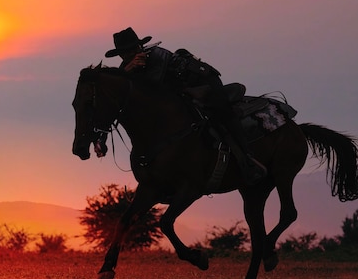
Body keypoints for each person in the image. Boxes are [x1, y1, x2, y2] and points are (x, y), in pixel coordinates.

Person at [102, 27, 266, 185]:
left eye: (132, 50)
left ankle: (247, 157)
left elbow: (153, 91)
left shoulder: (157, 56)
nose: (129, 55)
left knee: (221, 112)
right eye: (124, 53)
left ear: (139, 46)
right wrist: (128, 70)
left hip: (204, 83)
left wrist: (128, 72)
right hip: (182, 92)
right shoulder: (127, 67)